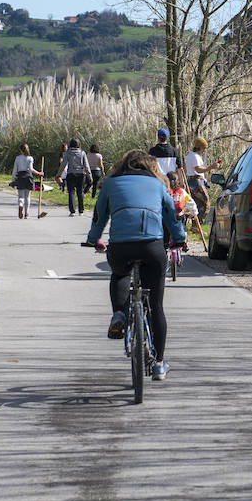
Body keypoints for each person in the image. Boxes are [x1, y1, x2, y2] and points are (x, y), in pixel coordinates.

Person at [85, 149, 187, 381]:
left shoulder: (111, 183)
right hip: (152, 246)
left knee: (120, 273)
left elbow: (99, 216)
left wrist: (94, 239)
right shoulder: (159, 185)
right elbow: (172, 216)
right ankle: (159, 364)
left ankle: (119, 314)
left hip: (121, 246)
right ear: (151, 167)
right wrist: (179, 239)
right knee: (157, 306)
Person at [184, 136, 222, 216]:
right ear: (199, 147)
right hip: (196, 182)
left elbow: (187, 168)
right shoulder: (195, 156)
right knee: (205, 204)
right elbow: (198, 169)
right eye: (204, 148)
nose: (205, 150)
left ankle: (195, 226)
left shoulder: (189, 155)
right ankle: (198, 223)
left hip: (191, 181)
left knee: (196, 205)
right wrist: (211, 167)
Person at [59, 138, 90, 216]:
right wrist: (90, 175)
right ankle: (81, 211)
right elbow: (86, 165)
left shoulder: (68, 153)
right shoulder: (82, 153)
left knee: (71, 192)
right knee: (80, 192)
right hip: (81, 174)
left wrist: (58, 174)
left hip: (71, 174)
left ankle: (72, 211)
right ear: (79, 144)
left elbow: (63, 164)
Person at [12, 143, 41, 219]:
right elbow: (31, 169)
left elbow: (15, 170)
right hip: (28, 177)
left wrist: (13, 180)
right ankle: (26, 213)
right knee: (27, 197)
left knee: (21, 196)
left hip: (20, 177)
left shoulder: (18, 158)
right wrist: (39, 173)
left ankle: (21, 205)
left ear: (21, 150)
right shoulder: (30, 158)